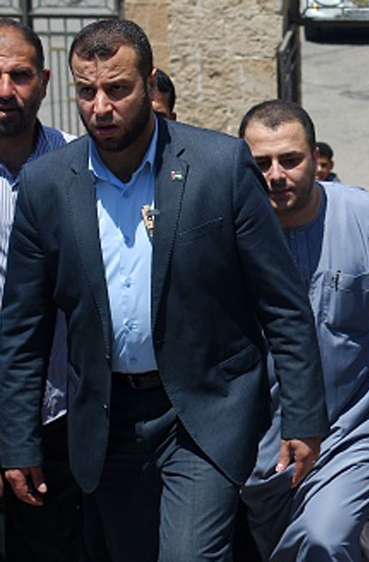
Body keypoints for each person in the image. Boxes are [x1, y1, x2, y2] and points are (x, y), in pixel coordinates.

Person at [0, 19, 328, 561]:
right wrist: (17, 440)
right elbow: (22, 329)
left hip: (203, 411)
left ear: (150, 84)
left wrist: (303, 414)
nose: (101, 107)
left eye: (117, 89)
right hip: (107, 420)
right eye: (86, 91)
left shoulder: (219, 167)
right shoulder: (47, 185)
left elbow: (282, 303)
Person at [239, 99, 369, 562]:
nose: (276, 175)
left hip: (355, 423)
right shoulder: (230, 231)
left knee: (325, 539)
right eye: (262, 163)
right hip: (265, 443)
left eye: (290, 159)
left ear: (315, 158)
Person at [0, 18, 80, 562]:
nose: (5, 90)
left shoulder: (82, 167)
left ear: (45, 82)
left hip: (61, 410)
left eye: (20, 74)